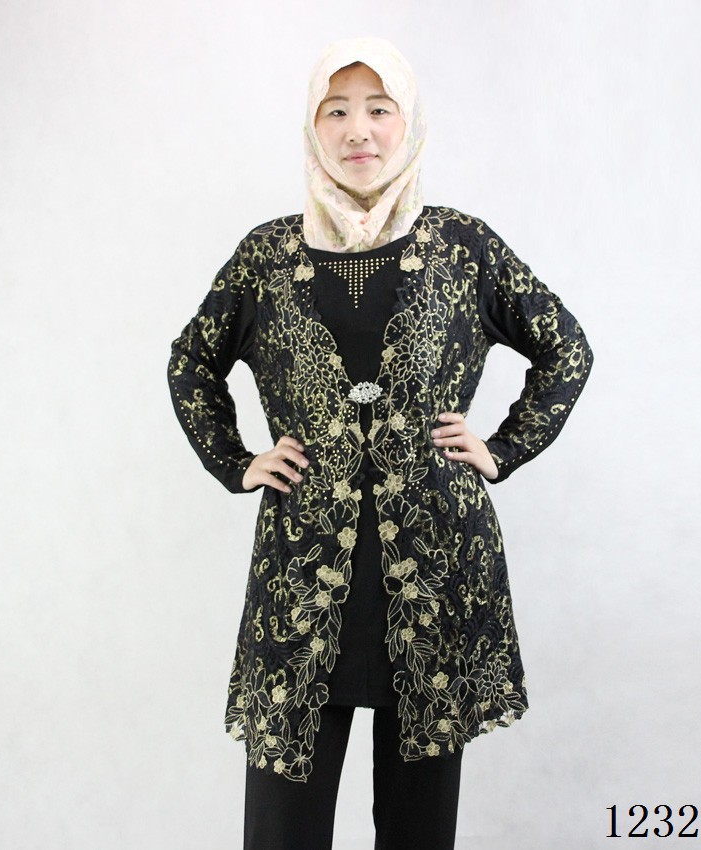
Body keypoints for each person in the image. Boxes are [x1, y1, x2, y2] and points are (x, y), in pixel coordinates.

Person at [167, 36, 593, 850]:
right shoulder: (267, 256)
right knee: (282, 829)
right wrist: (237, 461)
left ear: (408, 121)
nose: (357, 129)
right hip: (303, 576)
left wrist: (503, 448)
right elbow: (192, 361)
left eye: (378, 108)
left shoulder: (463, 247)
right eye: (336, 111)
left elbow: (565, 347)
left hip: (434, 568)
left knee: (418, 827)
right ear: (313, 127)